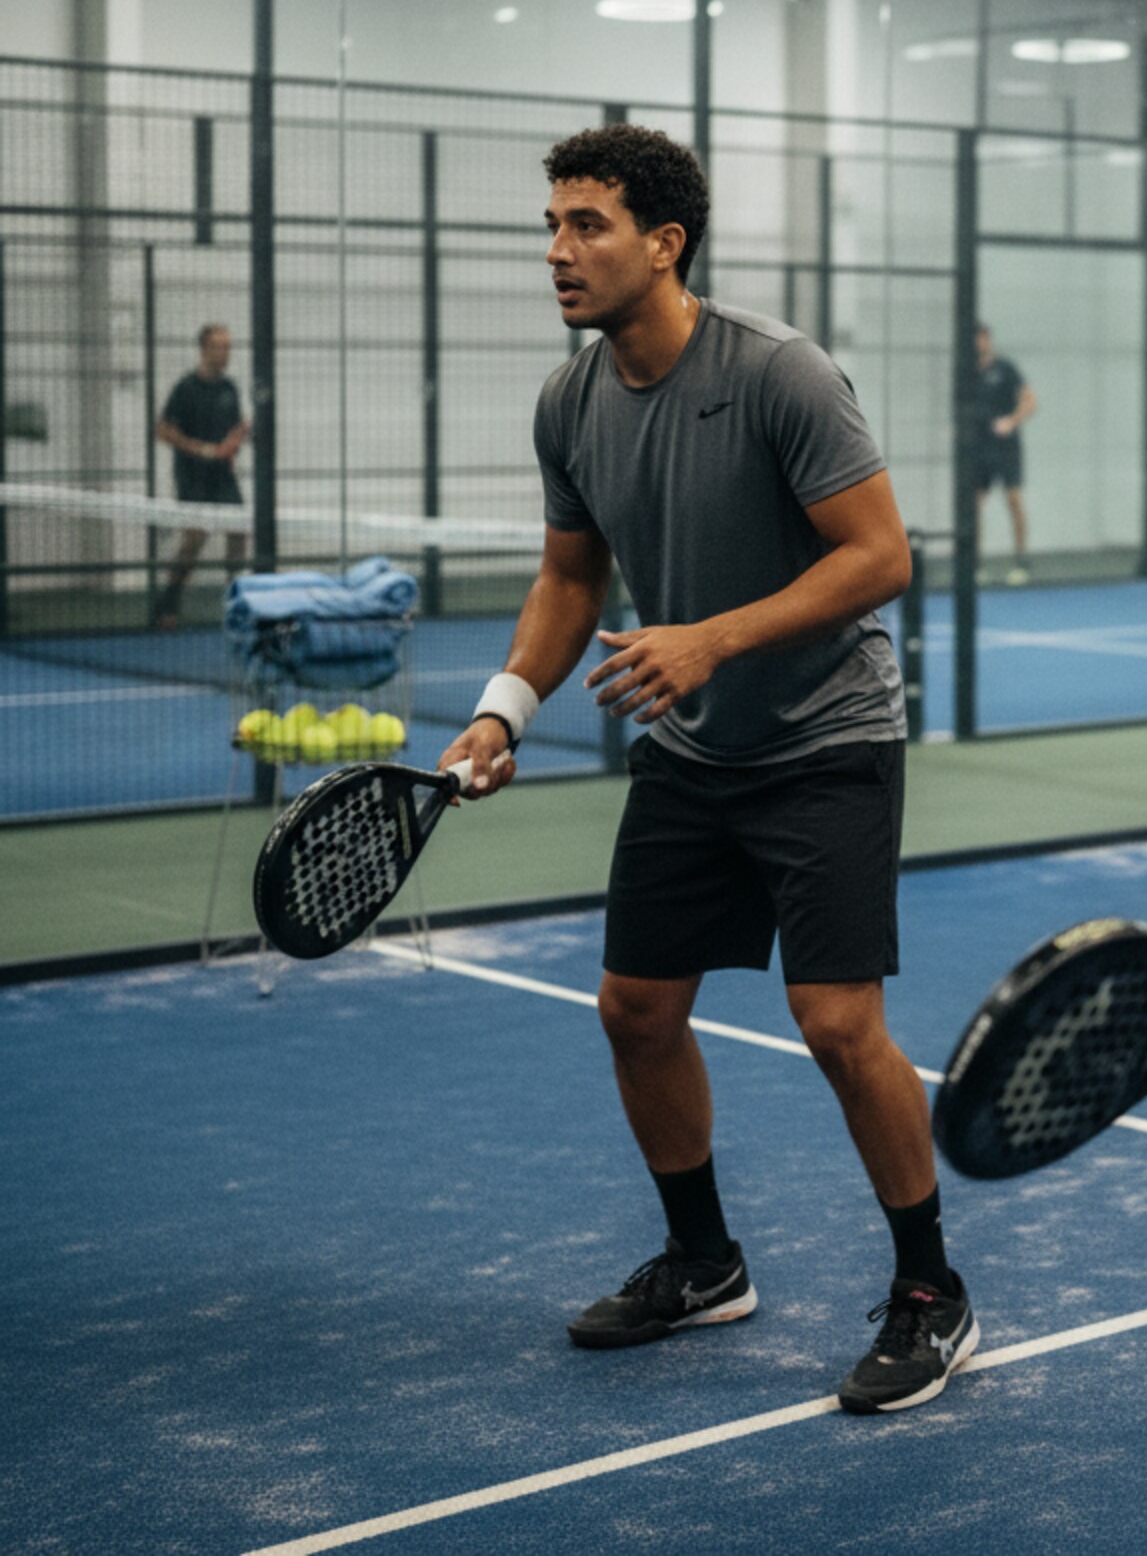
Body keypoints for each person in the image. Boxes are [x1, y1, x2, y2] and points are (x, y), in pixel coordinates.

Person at [436, 123, 974, 1415]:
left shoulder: (782, 374)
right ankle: (704, 1259)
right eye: (553, 227)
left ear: (663, 244)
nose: (559, 252)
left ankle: (928, 1290)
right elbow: (571, 579)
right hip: (692, 754)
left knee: (838, 1027)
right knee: (634, 1009)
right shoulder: (570, 401)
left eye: (588, 226)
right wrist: (505, 709)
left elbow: (881, 557)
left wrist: (711, 640)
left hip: (827, 743)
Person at [153, 322, 249, 629]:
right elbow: (164, 430)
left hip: (223, 476)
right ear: (204, 350)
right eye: (219, 347)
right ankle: (168, 606)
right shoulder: (186, 388)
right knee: (194, 540)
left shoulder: (230, 389)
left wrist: (236, 439)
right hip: (192, 476)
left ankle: (238, 600)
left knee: (238, 530)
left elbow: (235, 428)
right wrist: (203, 450)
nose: (225, 353)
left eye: (228, 347)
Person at [971, 323, 1036, 585]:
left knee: (1013, 500)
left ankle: (1021, 561)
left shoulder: (1006, 369)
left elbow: (1030, 400)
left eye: (981, 338)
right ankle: (974, 565)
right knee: (974, 505)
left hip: (1006, 448)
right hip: (979, 448)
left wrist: (1012, 421)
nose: (978, 343)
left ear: (988, 339)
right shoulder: (967, 373)